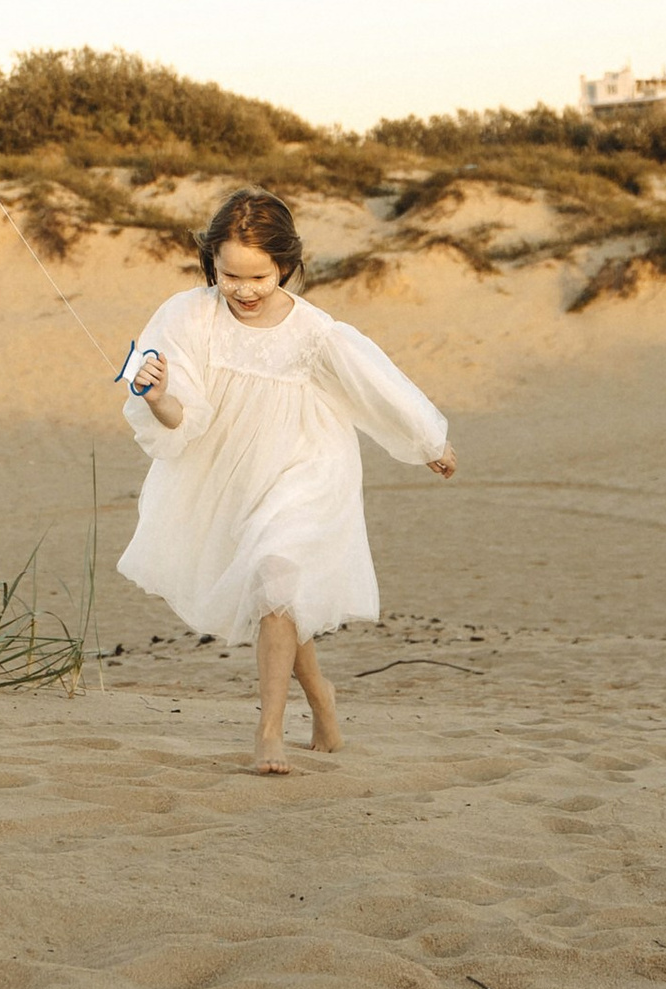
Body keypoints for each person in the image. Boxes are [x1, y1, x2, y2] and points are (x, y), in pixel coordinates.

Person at [118, 189, 456, 772]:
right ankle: (322, 695)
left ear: (287, 266)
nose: (244, 290)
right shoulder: (186, 316)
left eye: (260, 277)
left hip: (308, 464)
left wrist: (428, 442)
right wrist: (156, 395)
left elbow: (375, 388)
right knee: (278, 592)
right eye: (230, 275)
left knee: (277, 571)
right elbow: (181, 418)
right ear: (211, 264)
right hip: (230, 473)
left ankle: (269, 732)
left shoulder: (316, 332)